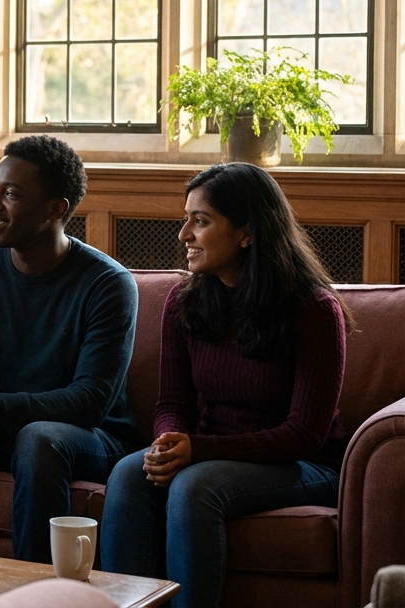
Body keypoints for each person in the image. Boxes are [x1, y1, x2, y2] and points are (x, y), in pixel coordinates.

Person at [100, 162, 349, 607]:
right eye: (185, 220)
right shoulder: (184, 301)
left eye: (201, 221)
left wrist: (201, 449)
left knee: (197, 485)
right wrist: (168, 442)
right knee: (127, 473)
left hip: (304, 465)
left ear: (247, 233)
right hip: (211, 451)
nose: (184, 236)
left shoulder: (313, 310)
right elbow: (171, 401)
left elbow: (305, 434)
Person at [0, 135, 138, 562]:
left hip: (90, 437)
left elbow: (91, 401)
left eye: (11, 193)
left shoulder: (108, 284)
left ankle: (32, 592)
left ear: (57, 208)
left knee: (39, 440)